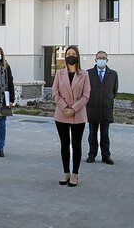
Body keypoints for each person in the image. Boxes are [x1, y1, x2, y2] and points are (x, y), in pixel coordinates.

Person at [52, 45, 90, 187]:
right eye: (68, 54)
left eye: (73, 53)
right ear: (65, 57)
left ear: (77, 56)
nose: (71, 56)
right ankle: (66, 172)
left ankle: (75, 174)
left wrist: (73, 109)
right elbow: (55, 93)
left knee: (76, 145)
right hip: (61, 114)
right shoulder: (59, 73)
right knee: (64, 144)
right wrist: (64, 107)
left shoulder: (84, 74)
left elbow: (86, 95)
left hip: (78, 115)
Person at [85, 50, 118, 165]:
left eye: (103, 58)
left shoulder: (113, 74)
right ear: (95, 60)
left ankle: (106, 156)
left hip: (106, 109)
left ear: (107, 60)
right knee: (92, 134)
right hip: (92, 108)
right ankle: (92, 155)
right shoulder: (88, 73)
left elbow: (114, 91)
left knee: (105, 135)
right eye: (99, 58)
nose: (101, 60)